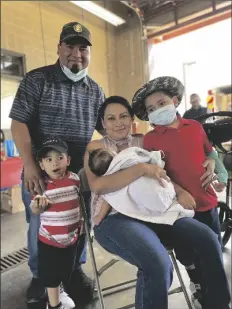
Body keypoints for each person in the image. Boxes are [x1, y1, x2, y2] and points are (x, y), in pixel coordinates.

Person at [84, 95, 230, 309]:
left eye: (124, 116)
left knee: (207, 238)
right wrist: (142, 169)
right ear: (103, 123)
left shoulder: (145, 141)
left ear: (132, 119)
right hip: (114, 219)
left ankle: (218, 304)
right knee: (158, 263)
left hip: (155, 212)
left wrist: (206, 162)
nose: (118, 122)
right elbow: (99, 186)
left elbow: (167, 169)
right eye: (111, 118)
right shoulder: (96, 147)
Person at [9, 21, 104, 305]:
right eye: (71, 46)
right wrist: (31, 165)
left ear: (89, 53)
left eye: (83, 48)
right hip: (42, 174)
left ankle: (72, 272)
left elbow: (106, 131)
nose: (77, 53)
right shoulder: (37, 80)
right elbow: (18, 124)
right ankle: (42, 277)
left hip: (78, 176)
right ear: (59, 48)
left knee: (78, 224)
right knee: (42, 226)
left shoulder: (95, 91)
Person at [132, 76, 229, 309]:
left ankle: (217, 301)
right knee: (187, 254)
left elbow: (211, 153)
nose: (157, 110)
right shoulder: (151, 140)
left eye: (162, 103)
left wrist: (217, 170)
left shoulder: (194, 126)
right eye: (151, 109)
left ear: (175, 101)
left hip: (207, 202)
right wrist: (178, 192)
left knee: (213, 250)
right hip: (178, 210)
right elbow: (156, 175)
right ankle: (196, 283)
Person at [30, 138, 85, 309]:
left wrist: (82, 223)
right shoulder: (42, 185)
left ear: (68, 160)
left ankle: (59, 291)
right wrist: (38, 205)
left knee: (65, 269)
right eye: (48, 159)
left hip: (71, 238)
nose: (55, 163)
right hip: (49, 240)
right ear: (41, 165)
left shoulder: (75, 179)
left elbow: (80, 203)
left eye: (59, 157)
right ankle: (54, 305)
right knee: (50, 274)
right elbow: (35, 209)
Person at [89, 147, 194, 226]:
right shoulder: (127, 157)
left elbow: (107, 200)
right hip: (166, 191)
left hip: (157, 204)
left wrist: (99, 217)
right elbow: (149, 158)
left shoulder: (124, 161)